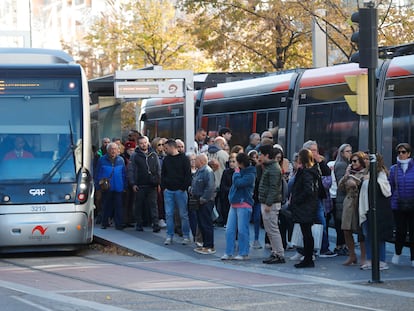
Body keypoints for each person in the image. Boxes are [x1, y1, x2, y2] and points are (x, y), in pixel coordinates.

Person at [303, 140, 337, 258]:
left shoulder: (320, 163)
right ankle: (305, 249)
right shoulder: (303, 163)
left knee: (321, 222)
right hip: (306, 199)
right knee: (306, 224)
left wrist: (321, 162)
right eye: (312, 150)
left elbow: (327, 175)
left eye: (316, 150)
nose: (315, 153)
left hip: (317, 199)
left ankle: (323, 248)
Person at [359, 153, 393, 270]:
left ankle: (381, 260)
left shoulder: (381, 173)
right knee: (368, 235)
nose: (366, 161)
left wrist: (372, 180)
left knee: (379, 235)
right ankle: (370, 259)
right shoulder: (366, 173)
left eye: (368, 159)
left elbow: (386, 190)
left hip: (379, 210)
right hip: (367, 208)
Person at [221, 153, 256, 260]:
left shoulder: (250, 174)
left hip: (244, 204)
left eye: (236, 162)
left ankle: (243, 252)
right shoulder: (241, 172)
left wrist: (236, 173)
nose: (234, 164)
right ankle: (229, 252)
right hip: (234, 204)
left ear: (240, 163)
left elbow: (238, 183)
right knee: (229, 229)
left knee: (242, 230)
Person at [290, 148, 320, 268]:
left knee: (306, 233)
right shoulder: (312, 171)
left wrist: (297, 200)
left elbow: (308, 190)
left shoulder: (306, 172)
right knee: (306, 233)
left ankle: (308, 258)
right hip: (308, 206)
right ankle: (308, 258)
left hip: (305, 207)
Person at [161, 139, 192, 245]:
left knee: (183, 214)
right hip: (168, 190)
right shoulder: (166, 160)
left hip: (180, 190)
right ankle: (169, 235)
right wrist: (164, 186)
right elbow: (163, 174)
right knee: (169, 214)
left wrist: (183, 188)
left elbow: (188, 175)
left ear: (171, 147)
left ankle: (186, 235)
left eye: (166, 148)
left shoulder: (184, 159)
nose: (164, 150)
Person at [338, 151, 366, 266]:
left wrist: (356, 181)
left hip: (359, 203)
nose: (353, 163)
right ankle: (352, 255)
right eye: (351, 161)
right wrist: (346, 175)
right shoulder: (349, 172)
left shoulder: (365, 172)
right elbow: (340, 187)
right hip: (348, 203)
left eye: (355, 161)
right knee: (346, 230)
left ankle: (363, 257)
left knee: (360, 231)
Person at [258, 144, 286, 264]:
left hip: (271, 204)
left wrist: (268, 203)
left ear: (267, 155)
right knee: (270, 229)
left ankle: (279, 254)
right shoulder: (270, 167)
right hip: (268, 202)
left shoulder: (273, 169)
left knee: (272, 229)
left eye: (261, 154)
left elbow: (273, 188)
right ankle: (276, 252)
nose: (259, 156)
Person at [128, 136, 161, 233]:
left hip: (152, 184)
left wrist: (158, 182)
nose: (144, 144)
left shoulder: (153, 154)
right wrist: (133, 183)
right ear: (138, 144)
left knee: (153, 206)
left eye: (145, 142)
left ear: (148, 143)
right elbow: (131, 170)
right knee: (139, 205)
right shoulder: (134, 155)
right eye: (141, 143)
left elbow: (158, 169)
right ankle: (139, 224)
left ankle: (155, 224)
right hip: (140, 185)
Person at [389, 143, 414, 267]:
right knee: (400, 231)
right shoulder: (394, 169)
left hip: (412, 204)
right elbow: (391, 187)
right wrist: (393, 200)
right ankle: (397, 253)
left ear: (409, 153)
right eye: (399, 152)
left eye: (403, 152)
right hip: (398, 205)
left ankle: (413, 258)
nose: (401, 154)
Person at [94, 142, 127, 230]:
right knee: (106, 205)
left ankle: (119, 224)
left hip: (118, 187)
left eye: (115, 149)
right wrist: (97, 186)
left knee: (119, 206)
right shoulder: (101, 160)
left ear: (117, 150)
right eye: (111, 149)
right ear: (107, 150)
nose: (113, 151)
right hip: (106, 187)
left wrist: (124, 186)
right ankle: (104, 222)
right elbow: (97, 173)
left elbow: (124, 174)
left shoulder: (121, 160)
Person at [191, 153, 216, 254]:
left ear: (201, 161)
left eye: (196, 160)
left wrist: (204, 199)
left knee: (206, 223)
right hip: (198, 200)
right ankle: (205, 244)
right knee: (201, 223)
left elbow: (210, 187)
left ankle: (209, 245)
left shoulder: (207, 171)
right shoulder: (199, 171)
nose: (194, 162)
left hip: (205, 202)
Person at [333, 143, 353, 256]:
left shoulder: (344, 164)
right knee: (342, 223)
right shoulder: (342, 165)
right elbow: (342, 183)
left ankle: (341, 245)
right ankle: (341, 246)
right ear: (341, 153)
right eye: (347, 151)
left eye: (350, 151)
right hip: (342, 198)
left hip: (341, 197)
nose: (350, 153)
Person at [248, 149, 262, 249]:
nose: (255, 160)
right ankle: (247, 239)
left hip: (257, 198)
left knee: (257, 218)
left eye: (256, 157)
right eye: (252, 158)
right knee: (247, 219)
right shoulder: (248, 169)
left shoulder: (260, 169)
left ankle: (256, 239)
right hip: (249, 198)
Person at [219, 153, 237, 227]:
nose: (231, 164)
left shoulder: (240, 172)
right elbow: (223, 185)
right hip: (227, 196)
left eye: (233, 161)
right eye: (230, 162)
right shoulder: (226, 172)